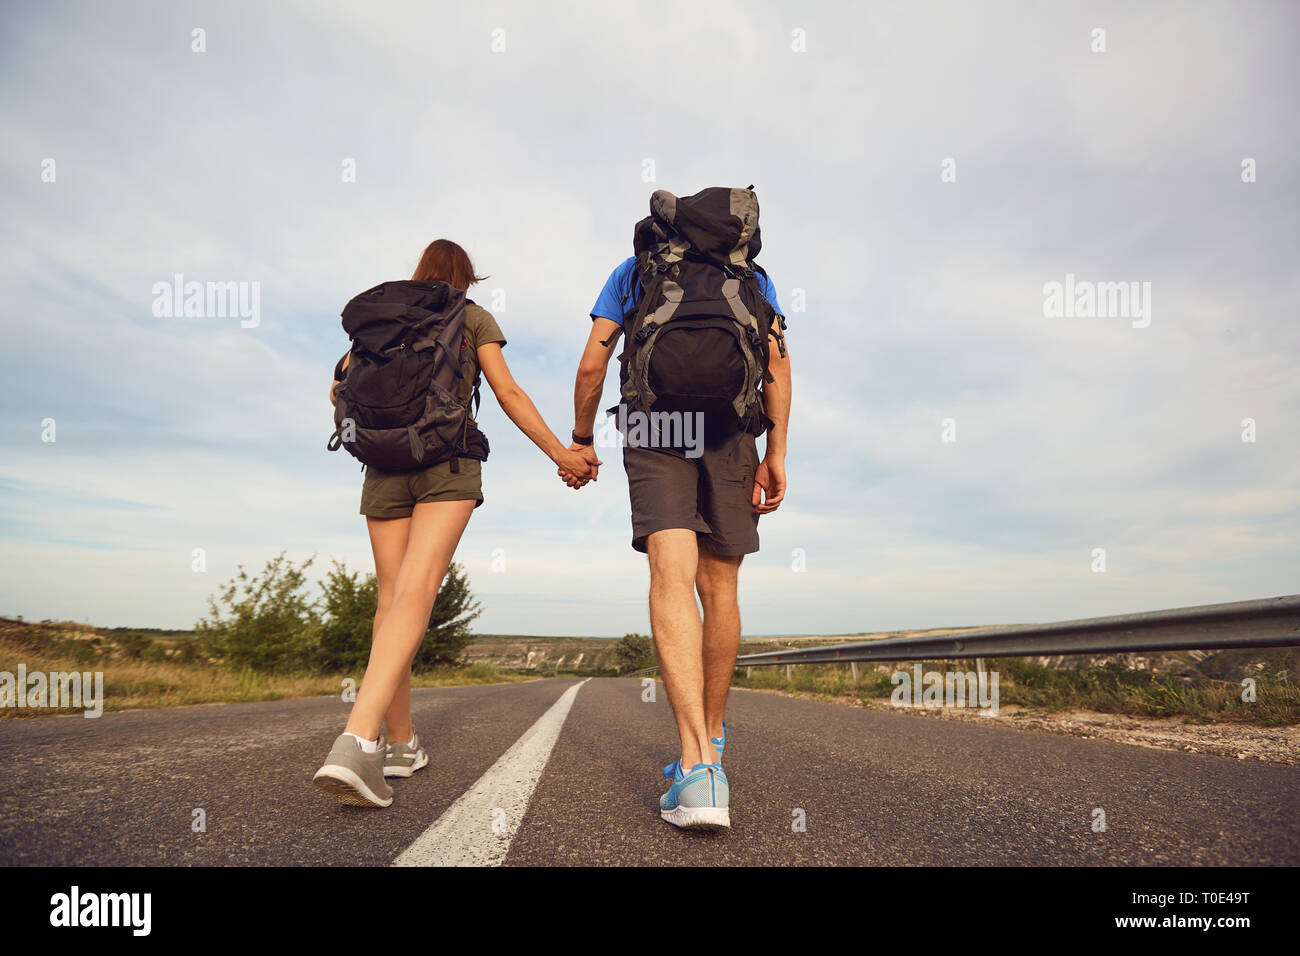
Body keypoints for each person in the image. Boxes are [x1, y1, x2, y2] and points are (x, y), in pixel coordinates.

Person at [313, 238, 597, 808]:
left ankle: (399, 745)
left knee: (391, 598)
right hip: (446, 460)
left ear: (418, 275)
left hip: (383, 464)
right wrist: (563, 455)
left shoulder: (381, 323)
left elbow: (337, 389)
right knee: (418, 592)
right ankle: (355, 740)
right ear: (465, 279)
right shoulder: (469, 316)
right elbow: (507, 391)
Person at [561, 186, 791, 829]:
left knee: (671, 574)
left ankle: (693, 769)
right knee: (720, 585)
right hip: (732, 430)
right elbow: (775, 361)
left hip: (655, 426)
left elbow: (591, 365)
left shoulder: (634, 271)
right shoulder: (751, 274)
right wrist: (777, 450)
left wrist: (582, 441)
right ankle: (711, 751)